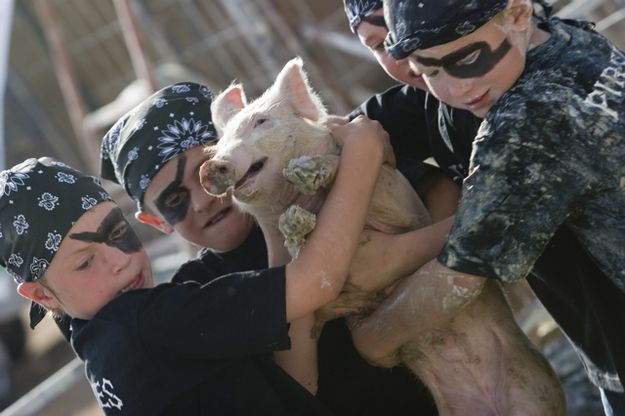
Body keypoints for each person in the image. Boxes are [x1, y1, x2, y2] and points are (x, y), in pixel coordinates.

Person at [0, 113, 385, 415]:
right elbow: (318, 281)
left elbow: (291, 384)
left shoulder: (101, 350)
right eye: (85, 263)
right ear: (41, 295)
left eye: (117, 234)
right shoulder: (147, 322)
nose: (119, 262)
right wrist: (361, 159)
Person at [100, 82, 441, 414]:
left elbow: (435, 191)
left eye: (213, 168)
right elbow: (295, 384)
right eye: (175, 199)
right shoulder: (198, 294)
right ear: (156, 221)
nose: (206, 198)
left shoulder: (318, 168)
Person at [371, 0, 625, 414]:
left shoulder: (528, 116)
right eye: (428, 71)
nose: (454, 90)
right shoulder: (573, 39)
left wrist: (370, 340)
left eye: (467, 58)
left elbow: (457, 279)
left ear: (519, 13)